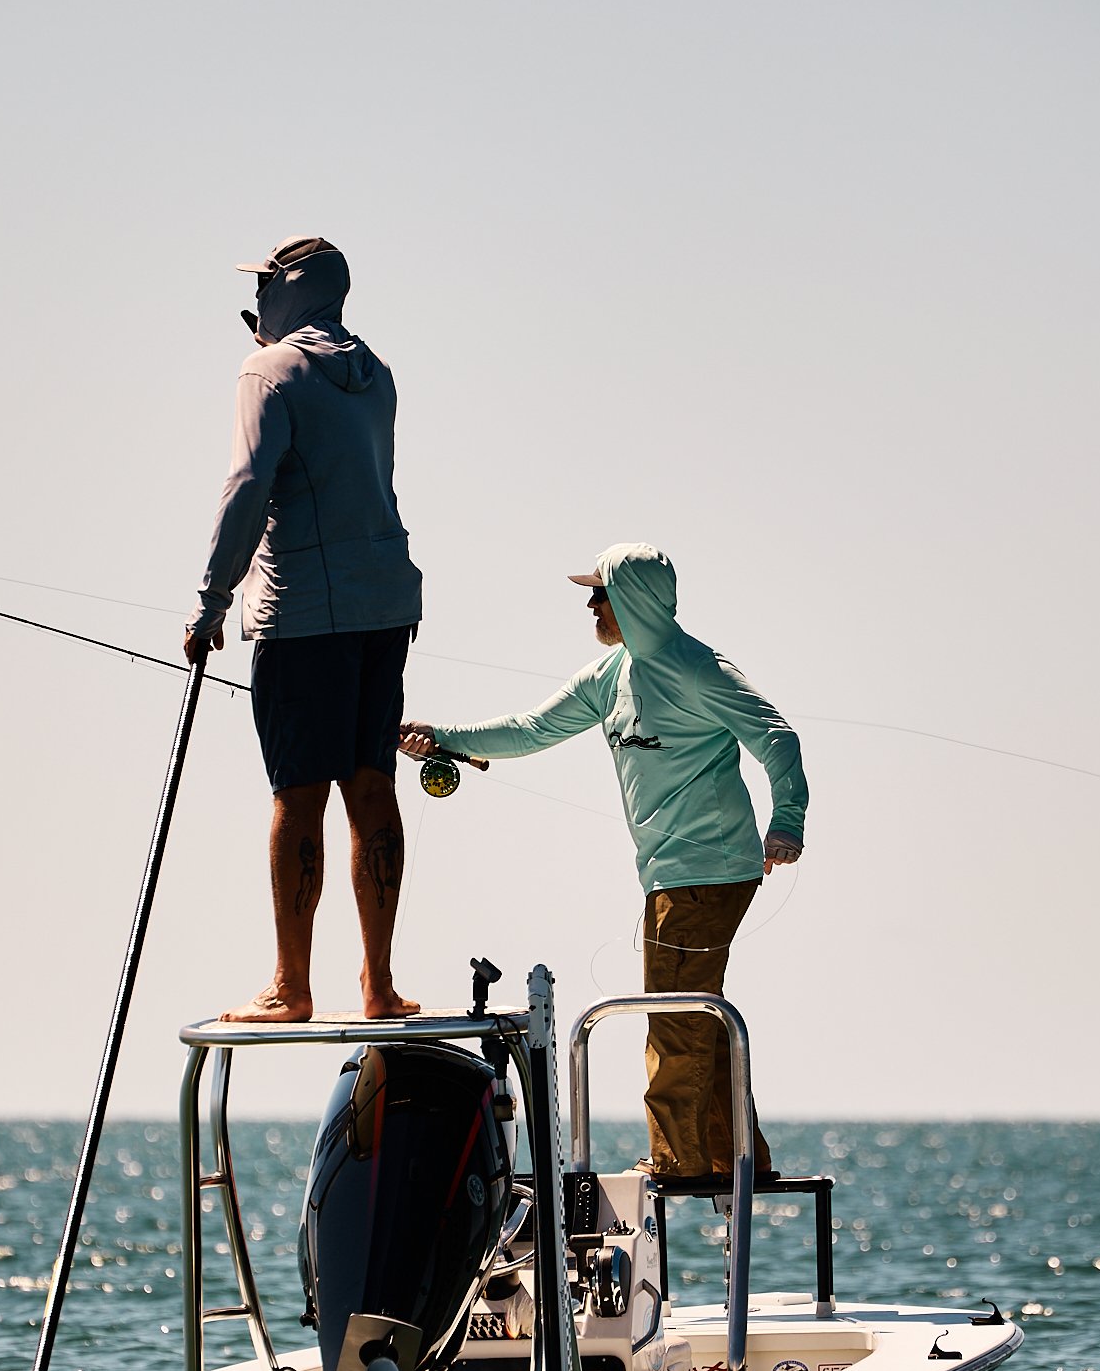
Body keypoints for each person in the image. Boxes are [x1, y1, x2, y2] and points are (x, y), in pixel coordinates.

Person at [400, 542, 807, 1182]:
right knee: (697, 1011)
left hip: (714, 868)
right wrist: (443, 737)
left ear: (634, 601)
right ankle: (736, 1156)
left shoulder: (699, 670)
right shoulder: (608, 677)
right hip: (668, 874)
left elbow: (777, 738)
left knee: (676, 1014)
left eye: (601, 593)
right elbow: (530, 729)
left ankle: (678, 1160)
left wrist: (787, 823)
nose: (590, 604)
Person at [185, 235, 422, 1022]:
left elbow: (249, 486)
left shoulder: (268, 371)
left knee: (298, 794)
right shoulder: (375, 374)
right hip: (385, 608)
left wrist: (209, 602)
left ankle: (292, 987)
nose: (255, 308)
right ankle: (379, 986)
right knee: (371, 786)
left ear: (291, 292)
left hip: (305, 613)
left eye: (262, 291)